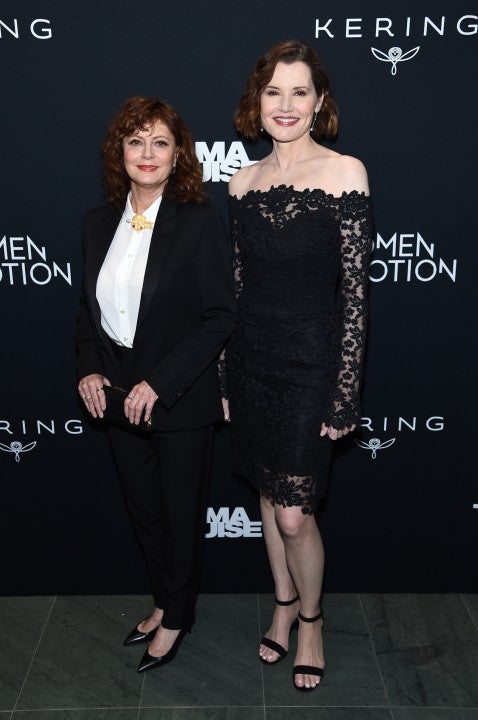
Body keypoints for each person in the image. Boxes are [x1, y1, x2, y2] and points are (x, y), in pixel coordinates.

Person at [225, 40, 373, 691]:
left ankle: (310, 617)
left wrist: (345, 394)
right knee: (265, 493)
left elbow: (356, 298)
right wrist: (227, 377)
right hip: (252, 362)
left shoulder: (346, 173)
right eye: (274, 91)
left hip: (313, 365)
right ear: (257, 103)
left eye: (299, 92)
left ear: (320, 103)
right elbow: (234, 292)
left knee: (294, 512)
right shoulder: (240, 183)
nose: (286, 105)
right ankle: (282, 605)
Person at [76, 96, 235, 673]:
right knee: (143, 512)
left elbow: (221, 315)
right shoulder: (97, 223)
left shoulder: (197, 221)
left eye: (160, 142)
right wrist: (89, 366)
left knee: (179, 514)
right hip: (117, 398)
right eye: (136, 140)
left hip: (179, 400)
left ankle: (177, 618)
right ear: (120, 151)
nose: (147, 153)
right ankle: (163, 600)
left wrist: (159, 383)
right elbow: (88, 311)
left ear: (178, 155)